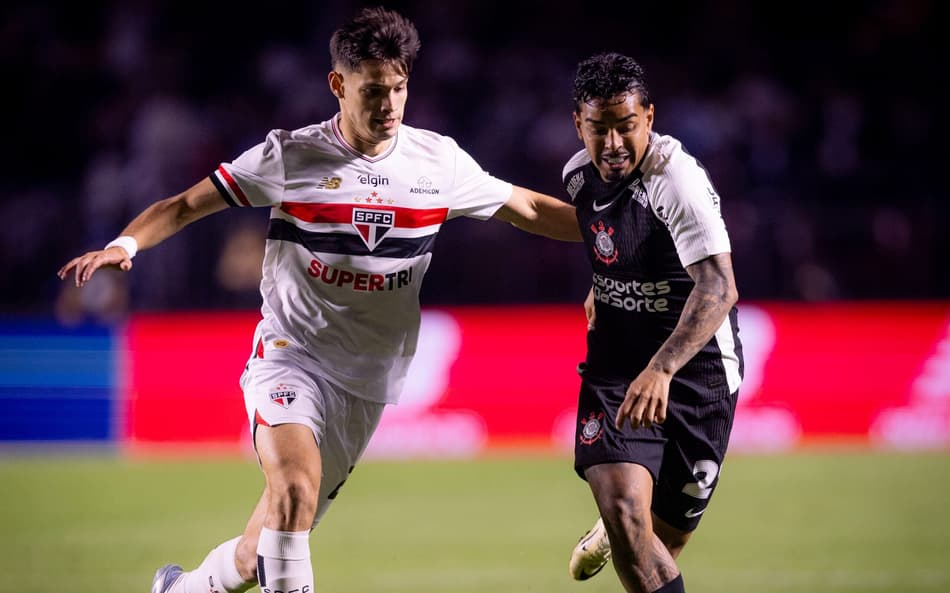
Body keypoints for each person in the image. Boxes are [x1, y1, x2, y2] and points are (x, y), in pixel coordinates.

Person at [59, 8, 580, 593]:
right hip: (291, 357)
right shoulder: (292, 157)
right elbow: (182, 206)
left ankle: (178, 589)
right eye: (373, 91)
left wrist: (616, 232)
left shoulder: (438, 163)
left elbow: (531, 209)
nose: (389, 106)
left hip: (366, 381)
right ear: (338, 85)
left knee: (267, 548)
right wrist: (124, 243)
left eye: (400, 90)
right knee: (296, 489)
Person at [561, 52, 743, 593]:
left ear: (650, 118)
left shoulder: (676, 180)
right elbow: (613, 240)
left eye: (627, 126)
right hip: (617, 366)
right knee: (629, 524)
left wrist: (662, 369)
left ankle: (622, 525)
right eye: (599, 128)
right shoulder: (577, 177)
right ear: (578, 123)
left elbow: (719, 287)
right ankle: (619, 517)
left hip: (696, 375)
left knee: (663, 543)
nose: (613, 143)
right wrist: (600, 283)